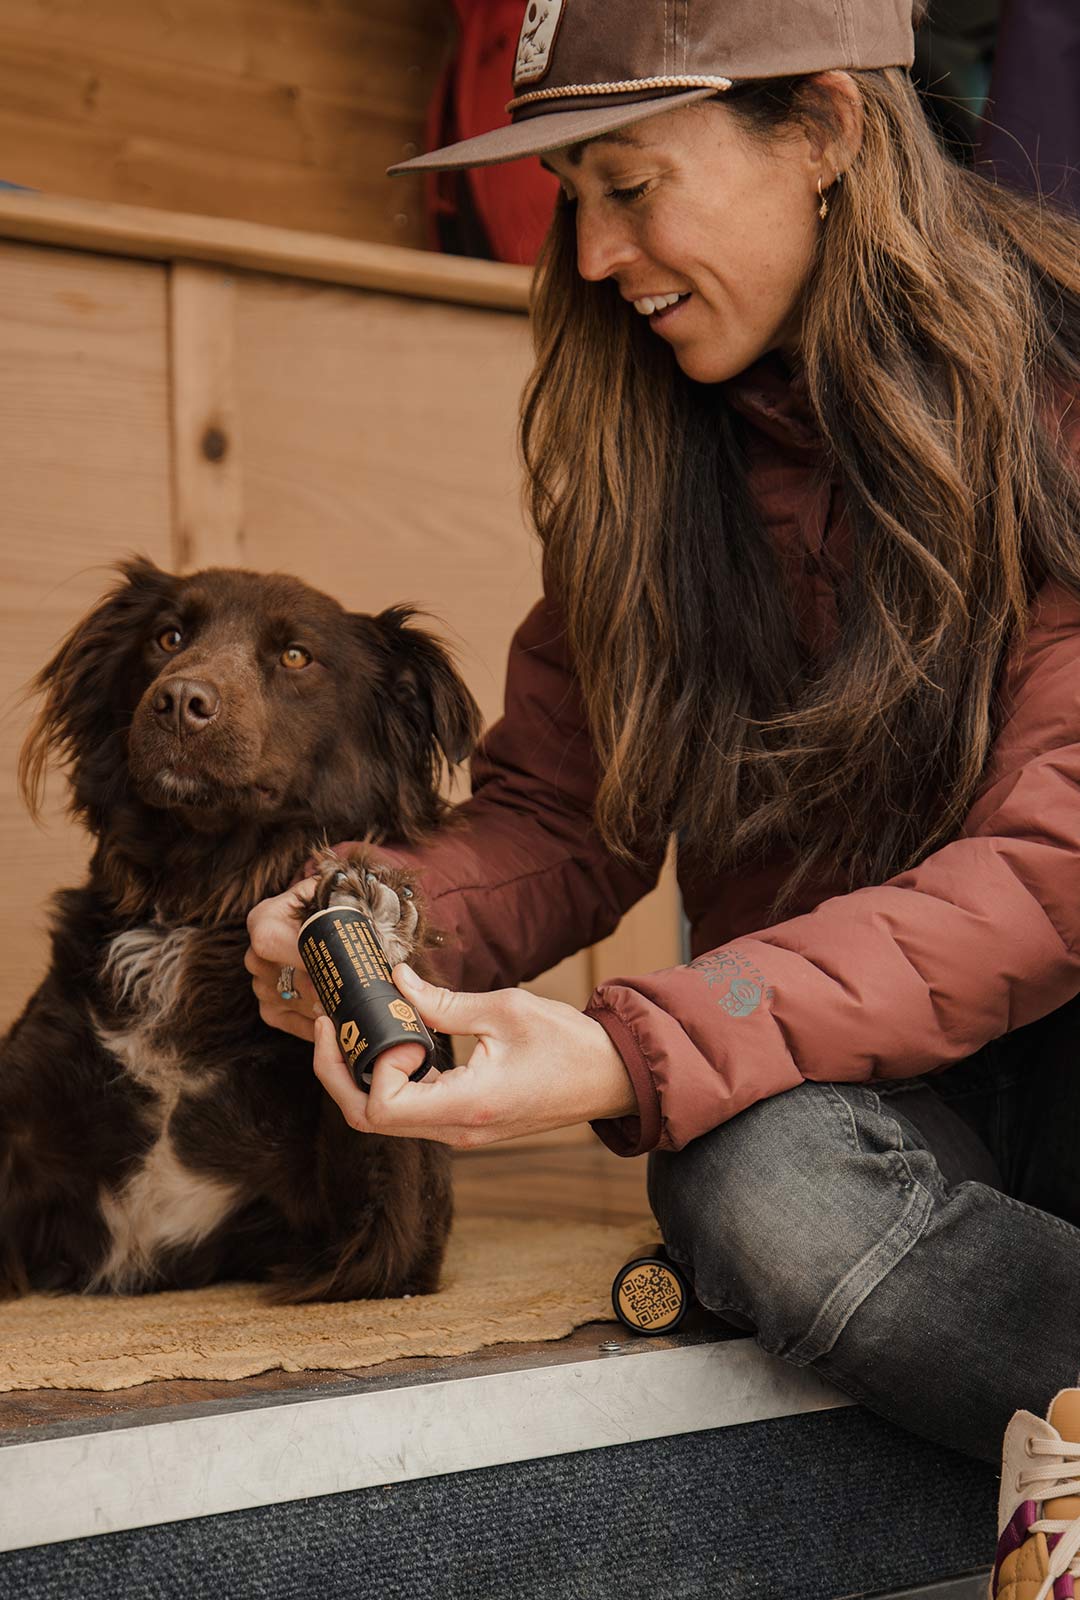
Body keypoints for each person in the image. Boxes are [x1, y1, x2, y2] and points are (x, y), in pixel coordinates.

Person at [246, 0, 1080, 1561]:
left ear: (825, 132)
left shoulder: (1066, 390)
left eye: (633, 184)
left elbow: (1053, 863)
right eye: (574, 201)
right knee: (752, 1183)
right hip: (875, 1092)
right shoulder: (643, 462)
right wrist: (376, 914)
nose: (598, 252)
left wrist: (634, 1049)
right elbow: (563, 815)